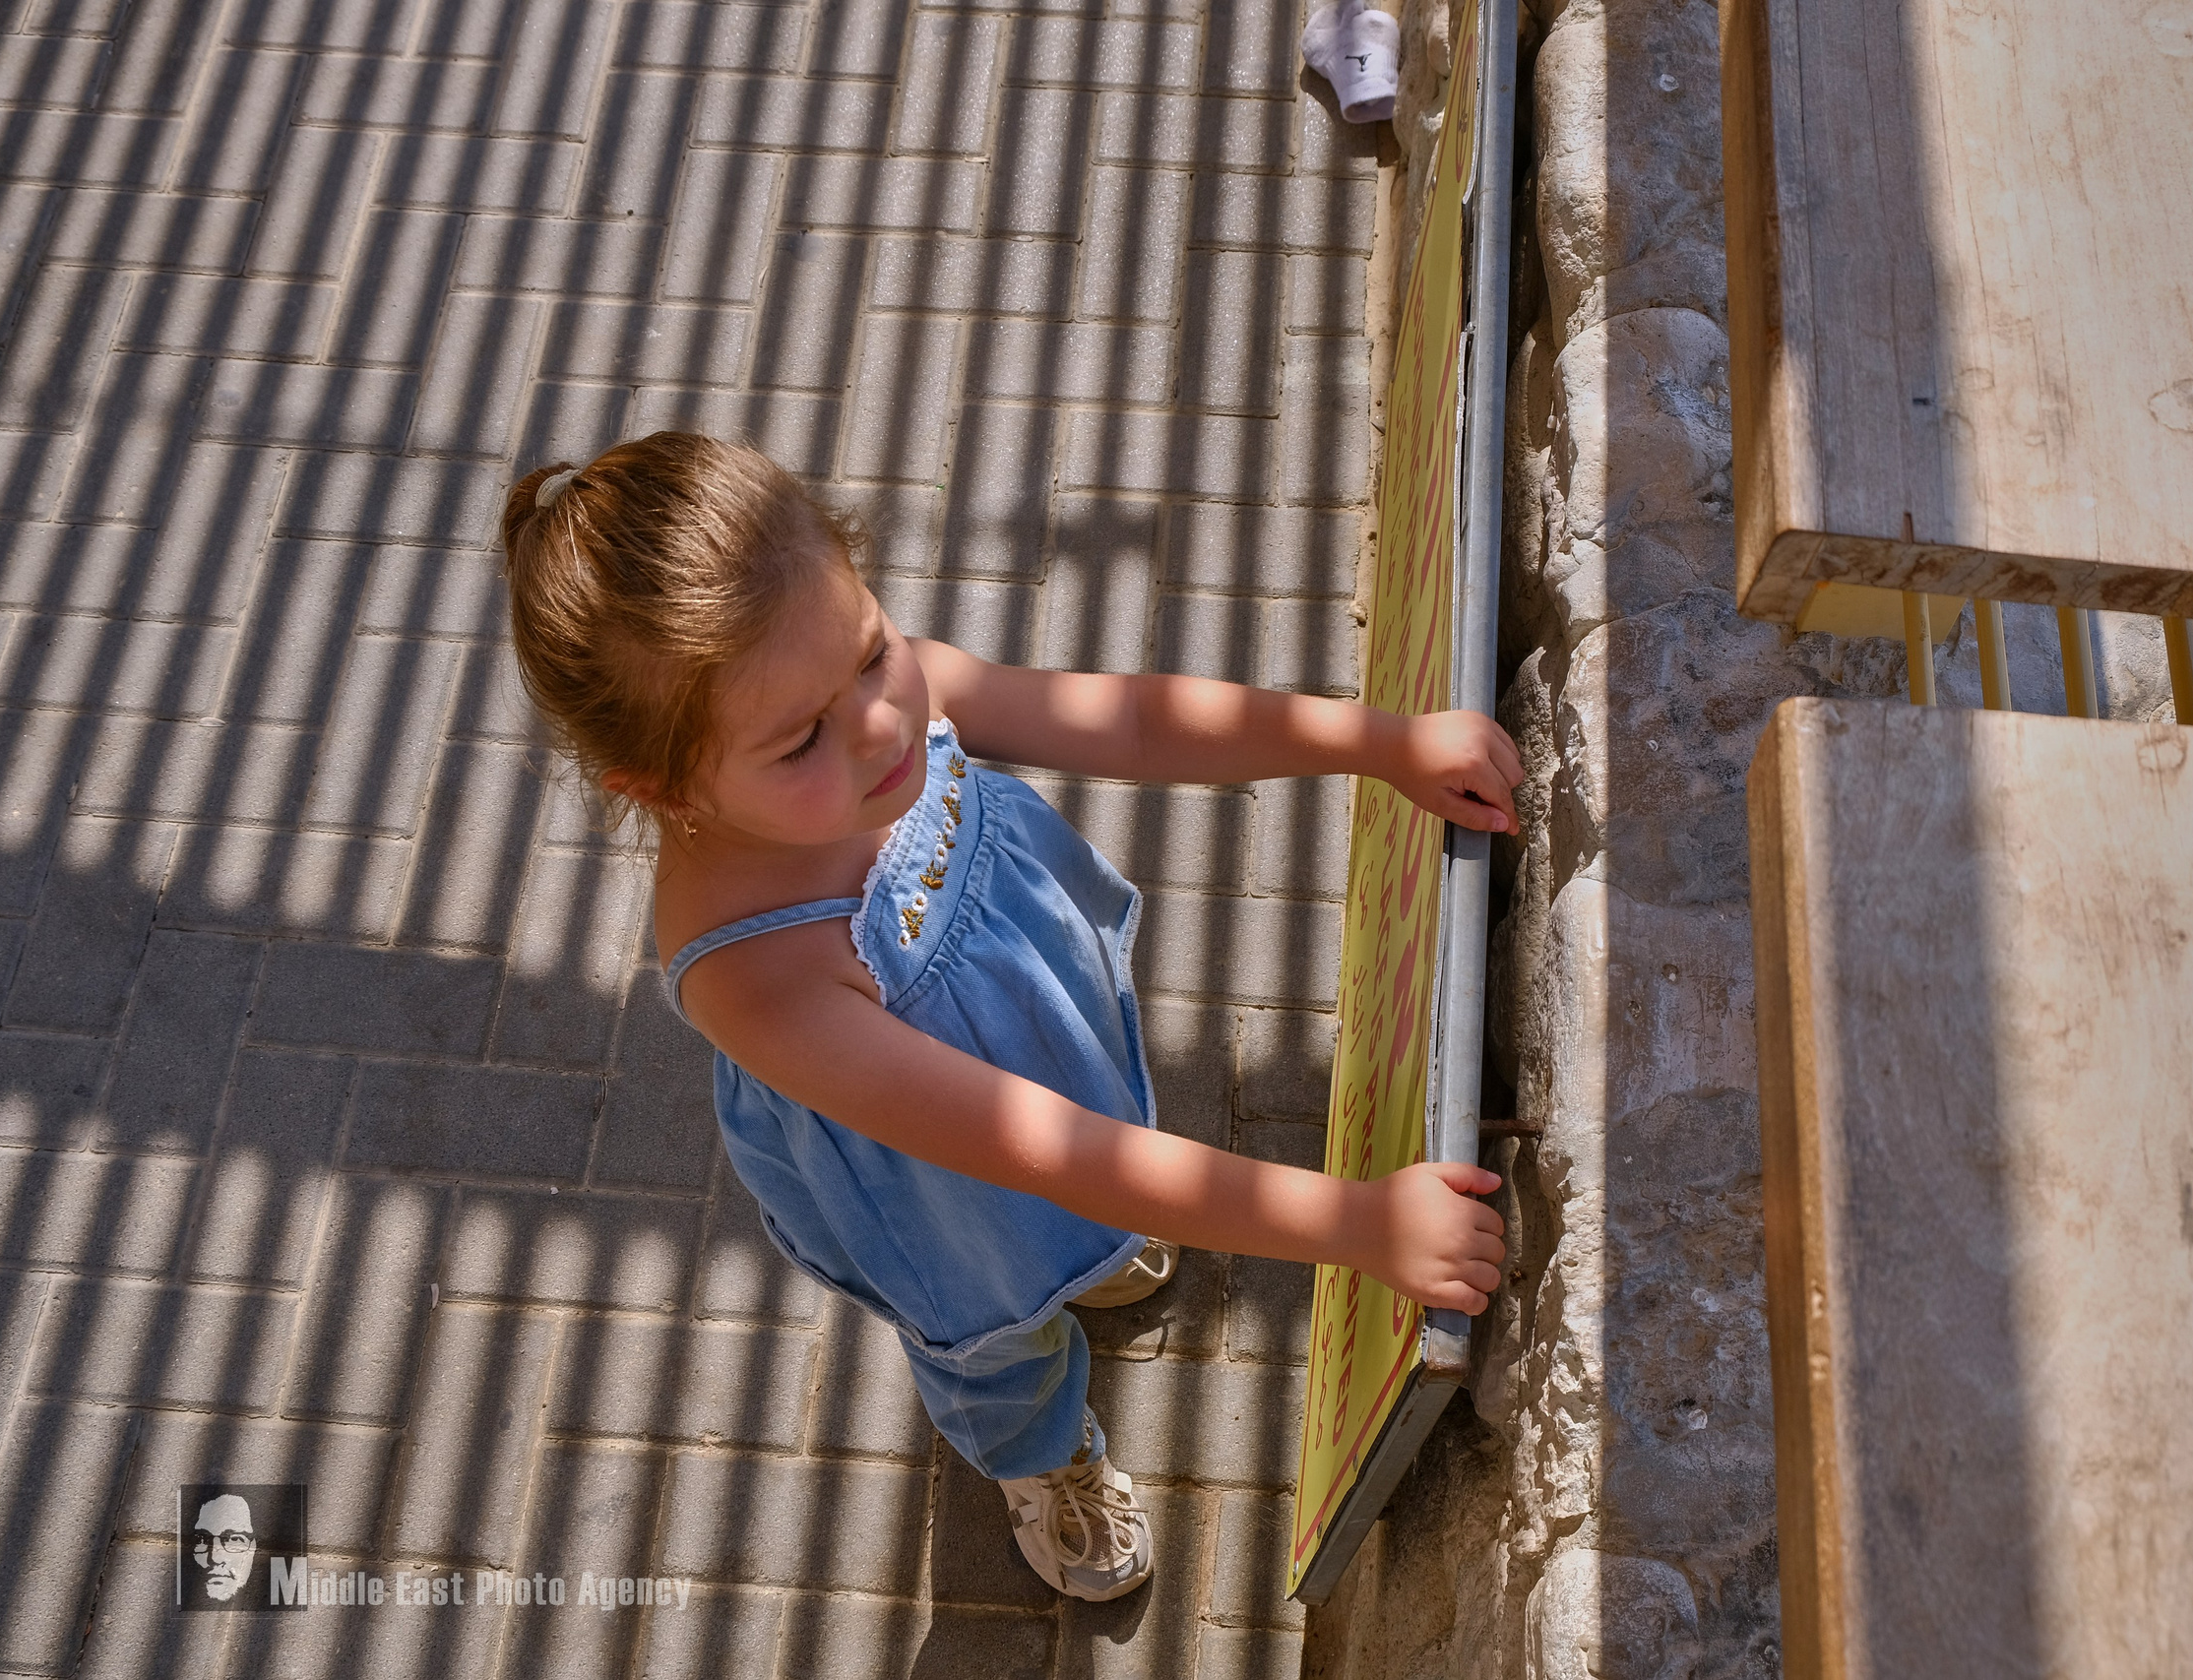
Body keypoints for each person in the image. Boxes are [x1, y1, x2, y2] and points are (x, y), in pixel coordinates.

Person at [498, 433, 1517, 1602]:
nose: (881, 727)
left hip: (1035, 1052)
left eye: (874, 654)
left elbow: (1125, 721)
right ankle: (1041, 1458)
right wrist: (1349, 1226)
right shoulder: (755, 979)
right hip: (937, 1180)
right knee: (993, 1333)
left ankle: (1090, 1263)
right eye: (800, 742)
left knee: (1094, 1175)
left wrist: (1373, 743)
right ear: (664, 788)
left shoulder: (869, 701)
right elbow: (1047, 1153)